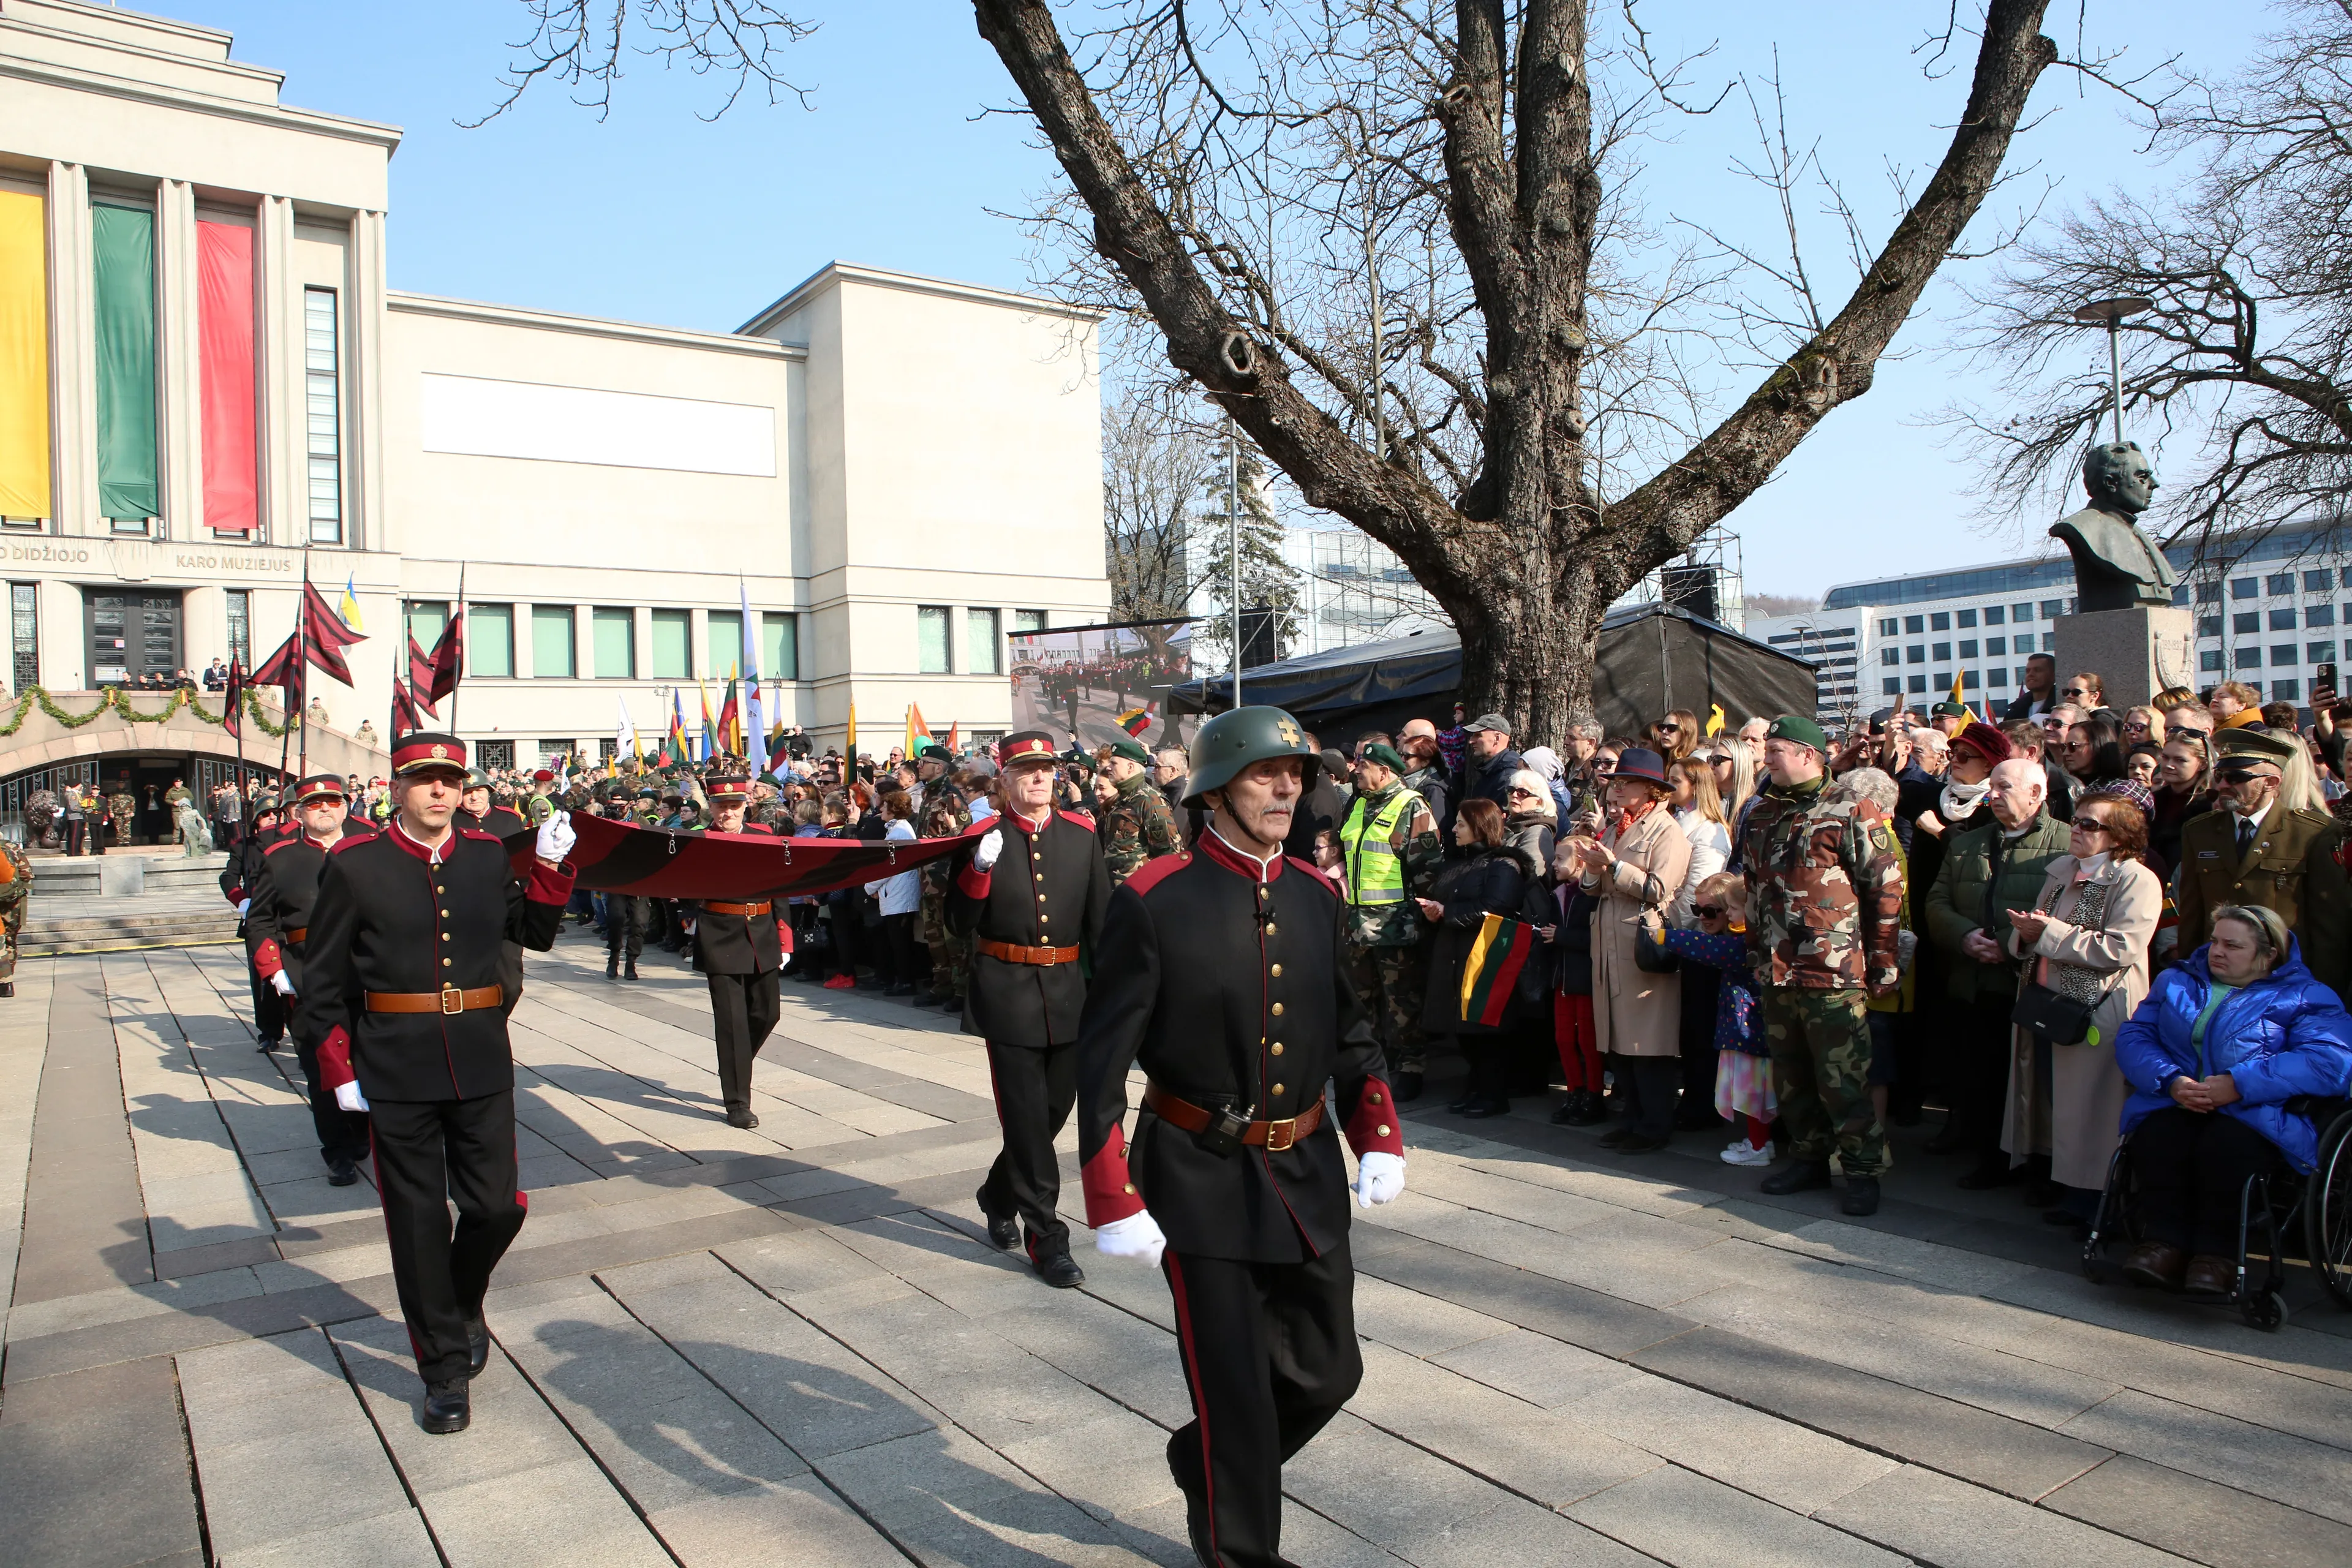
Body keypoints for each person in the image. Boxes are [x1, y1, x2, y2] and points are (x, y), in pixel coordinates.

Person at [1073, 704, 1405, 1568]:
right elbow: (1103, 1060)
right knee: (1236, 1393)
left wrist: (1375, 1130)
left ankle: (1202, 1461)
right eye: (1267, 774)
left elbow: (1351, 1026)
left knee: (1331, 1373)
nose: (1287, 789)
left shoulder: (1315, 893)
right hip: (1197, 1175)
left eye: (1296, 777)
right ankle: (1240, 1553)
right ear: (1217, 790)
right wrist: (1113, 1191)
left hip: (1304, 1169)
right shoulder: (1154, 900)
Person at [299, 732, 578, 1435]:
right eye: (423, 779)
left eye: (449, 779)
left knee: (496, 1208)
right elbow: (324, 983)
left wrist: (550, 867)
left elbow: (533, 933)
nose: (438, 791)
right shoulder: (357, 866)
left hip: (480, 1056)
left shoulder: (487, 856)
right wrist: (340, 1071)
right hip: (395, 1065)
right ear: (396, 788)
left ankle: (462, 1293)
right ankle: (443, 1369)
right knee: (419, 1223)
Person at [2113, 904, 2352, 1294]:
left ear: (2268, 954)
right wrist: (2171, 1080)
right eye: (2214, 941)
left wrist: (2240, 1084)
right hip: (2178, 1099)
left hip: (2257, 1110)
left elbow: (2329, 1061)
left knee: (2225, 1147)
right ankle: (2163, 1245)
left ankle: (2216, 1256)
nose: (2217, 952)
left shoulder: (2306, 996)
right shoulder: (2178, 981)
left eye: (2232, 945)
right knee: (2158, 1138)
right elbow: (2136, 1036)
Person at [948, 731, 1112, 1287]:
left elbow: (1102, 926)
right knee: (1025, 1120)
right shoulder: (984, 838)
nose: (1040, 778)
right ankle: (1049, 1240)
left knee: (1050, 1115)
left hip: (1068, 993)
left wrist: (1115, 1000)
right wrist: (978, 872)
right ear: (1005, 781)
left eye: (1046, 770)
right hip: (1007, 992)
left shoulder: (1082, 836)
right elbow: (958, 924)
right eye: (1027, 771)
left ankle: (997, 1193)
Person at [1741, 716, 1905, 1215]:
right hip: (1777, 968)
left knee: (1843, 1079)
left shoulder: (1851, 808)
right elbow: (1750, 889)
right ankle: (1808, 1158)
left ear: (1808, 755)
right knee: (1791, 1076)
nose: (1766, 760)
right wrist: (1754, 954)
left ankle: (1861, 1171)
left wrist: (1882, 962)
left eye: (1775, 751)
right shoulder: (1761, 812)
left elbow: (1886, 888)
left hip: (1833, 969)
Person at [2000, 785, 2162, 1221]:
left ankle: (2097, 1203)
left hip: (2097, 1009)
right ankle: (2066, 1189)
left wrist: (2045, 934)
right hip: (2046, 1001)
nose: (2078, 829)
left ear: (2120, 835)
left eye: (2091, 825)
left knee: (2094, 1107)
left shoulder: (2136, 879)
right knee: (2056, 1101)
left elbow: (2121, 948)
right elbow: (2040, 929)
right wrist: (2024, 932)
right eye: (2077, 820)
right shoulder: (2062, 870)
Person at [1925, 758, 2072, 1186]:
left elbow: (2060, 909)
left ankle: (2041, 1169)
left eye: (2006, 787)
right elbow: (1936, 903)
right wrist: (1966, 936)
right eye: (1994, 787)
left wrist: (2009, 944)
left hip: (2031, 982)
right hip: (1974, 982)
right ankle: (1990, 1157)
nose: (1995, 795)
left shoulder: (2065, 845)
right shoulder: (1967, 843)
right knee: (1982, 1075)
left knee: (2039, 1082)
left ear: (2037, 794)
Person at [247, 775, 373, 1185]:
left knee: (370, 1062)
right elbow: (261, 919)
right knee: (321, 1069)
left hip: (366, 974)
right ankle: (336, 1151)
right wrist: (275, 968)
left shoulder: (369, 849)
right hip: (306, 974)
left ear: (346, 806)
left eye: (332, 802)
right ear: (298, 813)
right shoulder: (281, 858)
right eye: (314, 804)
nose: (325, 809)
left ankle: (362, 1136)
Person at [1571, 747, 1692, 1151]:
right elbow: (1592, 889)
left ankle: (1654, 1126)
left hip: (1641, 942)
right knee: (1618, 1040)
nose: (1617, 789)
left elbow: (1660, 888)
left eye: (1626, 783)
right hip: (1608, 942)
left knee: (1648, 1042)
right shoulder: (1614, 828)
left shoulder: (1668, 831)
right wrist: (1591, 868)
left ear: (1652, 791)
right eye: (1615, 782)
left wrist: (1615, 867)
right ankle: (1633, 1118)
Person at [2172, 728, 2350, 998]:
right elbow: (2192, 916)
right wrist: (2188, 977)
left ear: (2271, 783)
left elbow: (2330, 926)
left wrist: (2323, 992)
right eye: (2220, 776)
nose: (2222, 786)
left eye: (2236, 777)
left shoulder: (2313, 834)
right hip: (2216, 979)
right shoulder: (2199, 831)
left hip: (2284, 983)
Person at [1336, 742, 1441, 1101]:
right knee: (1360, 1002)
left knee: (1402, 1003)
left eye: (1362, 765)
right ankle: (1369, 1066)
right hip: (1357, 925)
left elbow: (1427, 867)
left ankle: (1411, 1068)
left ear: (1384, 771)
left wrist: (1419, 915)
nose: (1355, 770)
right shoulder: (1359, 803)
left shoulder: (1411, 805)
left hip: (1396, 925)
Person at [1420, 799, 1536, 1118]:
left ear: (1479, 826)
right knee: (1465, 1030)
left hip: (1486, 958)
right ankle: (1476, 1089)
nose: (1454, 829)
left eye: (1461, 823)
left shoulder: (1504, 865)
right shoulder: (1459, 863)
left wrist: (1448, 913)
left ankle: (1492, 1094)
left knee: (1487, 1033)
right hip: (1455, 954)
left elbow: (1497, 906)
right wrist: (1434, 912)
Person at [689, 774, 790, 1127]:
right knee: (731, 1023)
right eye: (720, 807)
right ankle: (737, 1102)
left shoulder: (763, 837)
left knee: (768, 1012)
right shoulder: (700, 841)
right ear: (711, 808)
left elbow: (780, 886)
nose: (727, 814)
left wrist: (785, 935)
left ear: (745, 806)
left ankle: (737, 1060)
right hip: (719, 933)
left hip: (761, 930)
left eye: (734, 806)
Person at [1659, 870, 1770, 1164]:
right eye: (1698, 910)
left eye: (1713, 910)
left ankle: (1758, 1146)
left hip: (1748, 1032)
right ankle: (1759, 1141)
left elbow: (1717, 949)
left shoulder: (1743, 943)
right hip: (1736, 1029)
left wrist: (1663, 936)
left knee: (1753, 1092)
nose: (1704, 917)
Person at [915, 744, 974, 1012]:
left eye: (923, 761)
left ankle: (962, 990)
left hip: (946, 879)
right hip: (928, 878)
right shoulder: (928, 796)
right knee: (933, 936)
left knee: (952, 938)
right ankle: (941, 985)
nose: (919, 765)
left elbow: (964, 838)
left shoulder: (952, 798)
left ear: (939, 767)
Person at [1096, 736, 1182, 884]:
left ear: (1130, 767)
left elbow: (1168, 854)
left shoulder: (1149, 801)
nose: (1109, 767)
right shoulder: (1122, 799)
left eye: (1114, 763)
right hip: (1118, 891)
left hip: (1138, 892)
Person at [865, 791, 922, 996]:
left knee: (900, 942)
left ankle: (906, 981)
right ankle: (903, 979)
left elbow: (888, 866)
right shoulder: (897, 829)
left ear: (893, 809)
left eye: (885, 806)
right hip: (896, 893)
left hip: (899, 896)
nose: (881, 809)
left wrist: (870, 887)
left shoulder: (899, 832)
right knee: (898, 940)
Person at [1453, 713, 1525, 822]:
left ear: (1497, 738)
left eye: (1478, 735)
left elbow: (1494, 826)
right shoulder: (1492, 771)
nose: (1471, 741)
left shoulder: (1508, 778)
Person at [0, 836, 29, 998]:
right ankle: (7, 981)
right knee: (9, 939)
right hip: (12, 900)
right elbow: (26, 874)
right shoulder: (11, 847)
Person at [2004, 653, 2059, 720]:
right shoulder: (2014, 712)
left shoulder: (2062, 709)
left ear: (2053, 675)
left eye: (2038, 670)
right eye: (2028, 671)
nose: (2031, 674)